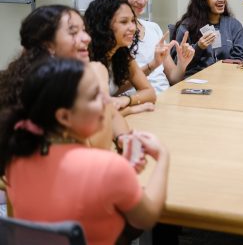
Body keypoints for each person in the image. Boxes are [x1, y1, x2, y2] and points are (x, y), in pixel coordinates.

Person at [0, 58, 169, 245]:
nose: (107, 101)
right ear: (64, 116)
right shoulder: (108, 167)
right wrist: (162, 157)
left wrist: (122, 173)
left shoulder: (16, 159)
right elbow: (147, 217)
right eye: (95, 96)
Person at [0, 5, 128, 150]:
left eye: (84, 30)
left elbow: (113, 114)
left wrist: (124, 139)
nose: (87, 38)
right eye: (73, 32)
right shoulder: (42, 88)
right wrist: (101, 87)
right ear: (48, 45)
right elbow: (93, 151)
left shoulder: (68, 77)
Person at [113, 0, 194, 92]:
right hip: (135, 103)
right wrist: (152, 65)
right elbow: (112, 90)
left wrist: (182, 63)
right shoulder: (111, 33)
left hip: (165, 98)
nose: (142, 1)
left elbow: (173, 78)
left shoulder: (153, 28)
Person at [85, 0, 156, 116]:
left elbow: (150, 93)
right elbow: (93, 113)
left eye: (133, 21)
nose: (133, 28)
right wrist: (131, 109)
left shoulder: (121, 52)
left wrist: (126, 100)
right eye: (124, 22)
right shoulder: (85, 57)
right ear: (103, 25)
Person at [173, 0, 243, 76]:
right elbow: (177, 66)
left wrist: (223, 72)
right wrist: (198, 47)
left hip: (227, 78)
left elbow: (241, 57)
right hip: (196, 81)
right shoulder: (187, 27)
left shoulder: (234, 25)